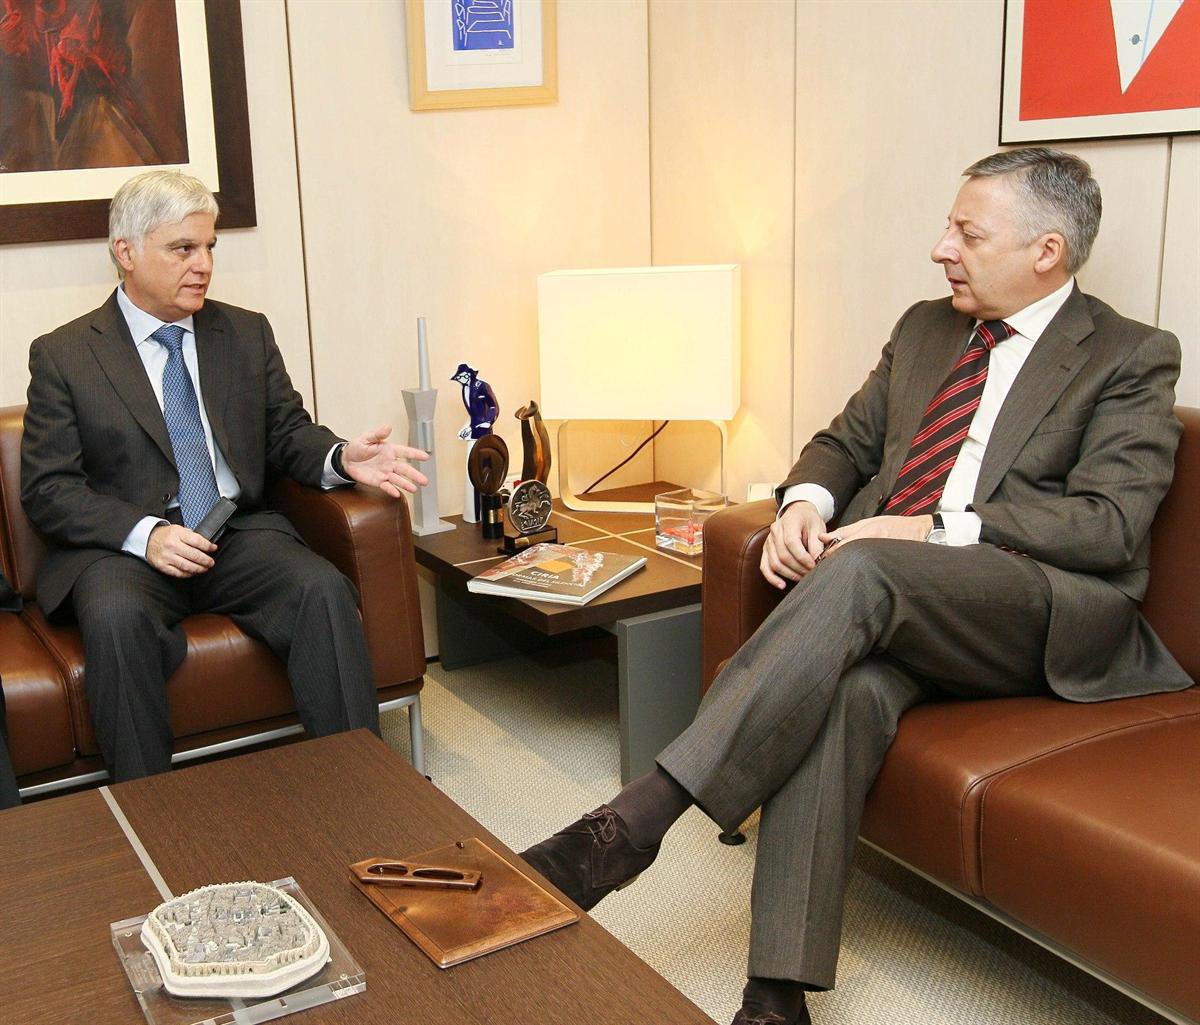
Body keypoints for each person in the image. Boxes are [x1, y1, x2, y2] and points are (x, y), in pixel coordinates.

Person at [522, 148, 1193, 1025]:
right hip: (904, 601)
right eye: (948, 226)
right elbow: (845, 443)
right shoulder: (926, 328)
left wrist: (932, 528)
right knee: (845, 688)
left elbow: (1108, 524)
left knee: (866, 565)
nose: (940, 248)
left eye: (967, 233)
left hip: (1038, 606)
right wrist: (804, 502)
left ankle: (632, 824)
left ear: (1046, 251)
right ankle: (776, 996)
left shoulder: (1129, 355)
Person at [20, 170, 429, 784]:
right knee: (114, 617)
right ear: (126, 252)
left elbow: (286, 431)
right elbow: (49, 489)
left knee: (320, 589)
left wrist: (340, 457)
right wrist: (147, 535)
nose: (204, 265)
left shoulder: (243, 332)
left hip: (235, 533)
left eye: (209, 247)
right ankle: (150, 807)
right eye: (183, 249)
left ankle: (362, 785)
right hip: (127, 551)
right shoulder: (66, 354)